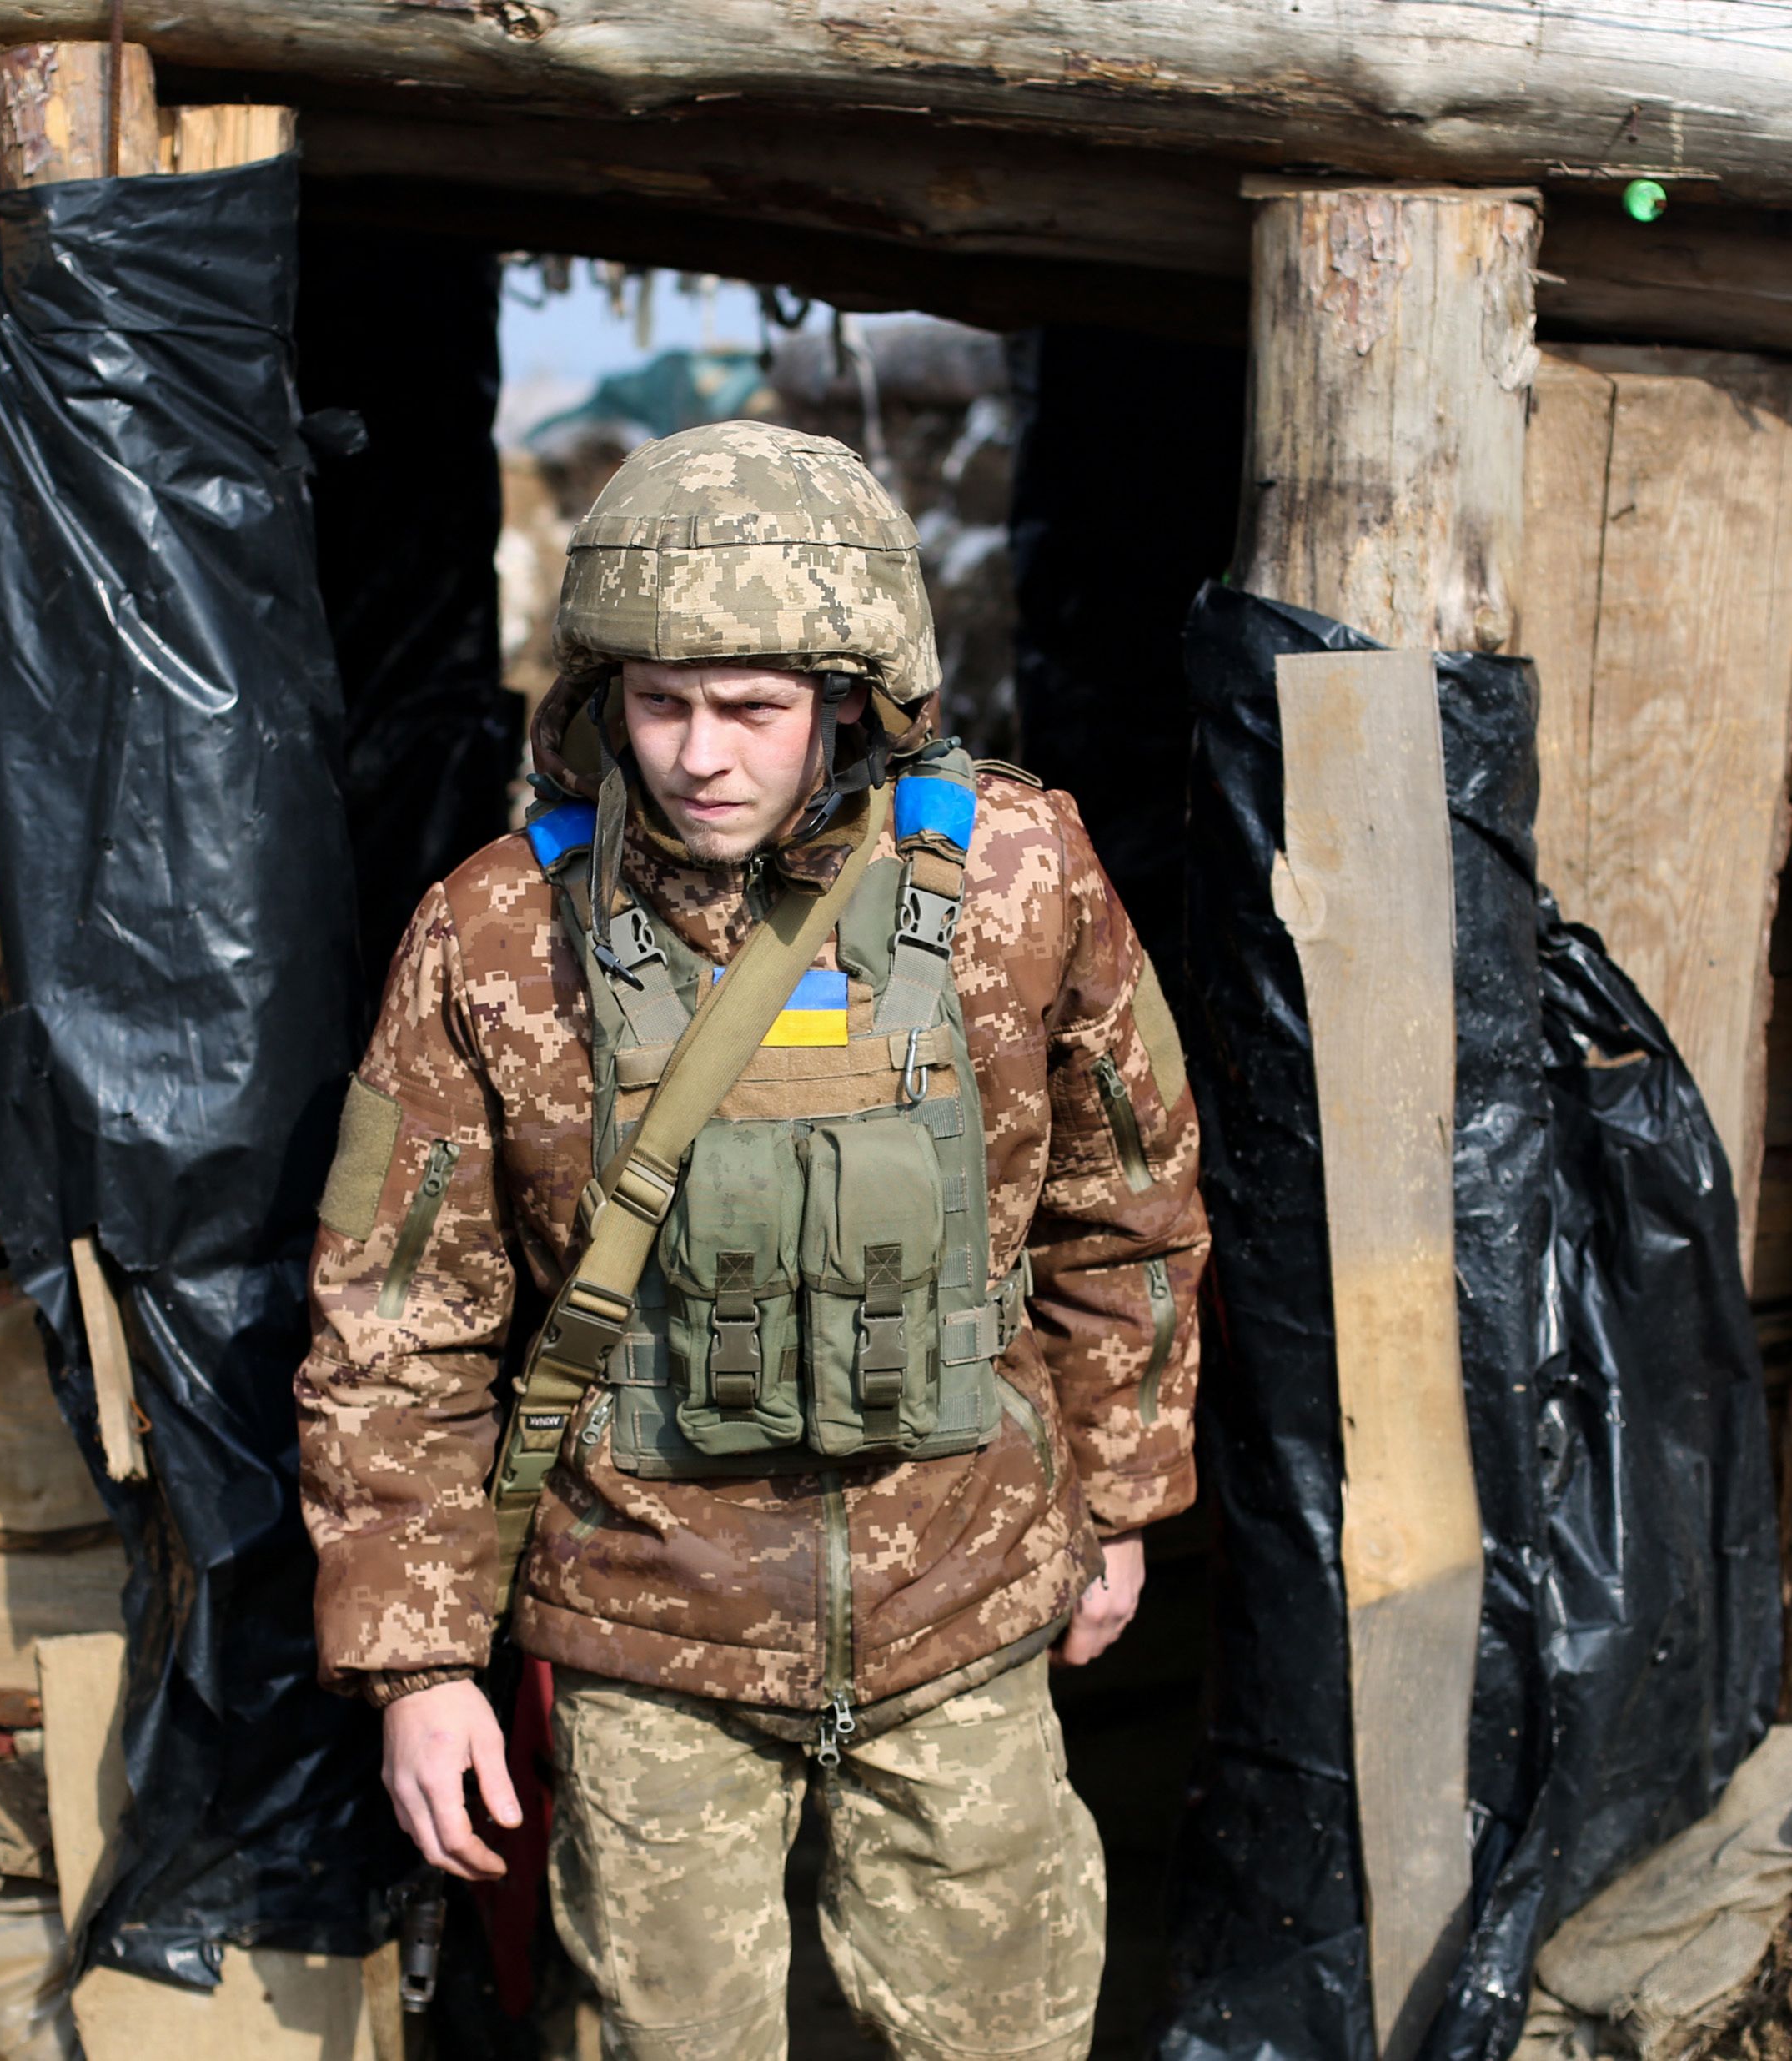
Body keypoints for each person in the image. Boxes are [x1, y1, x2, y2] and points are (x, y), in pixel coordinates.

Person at [296, 420, 1207, 2061]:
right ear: (597, 705)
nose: (702, 755)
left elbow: (1126, 1204)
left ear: (850, 703)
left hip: (965, 1596)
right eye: (659, 706)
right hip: (646, 1627)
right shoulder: (496, 936)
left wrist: (1125, 1497)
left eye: (753, 710)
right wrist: (420, 1664)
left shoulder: (1018, 879)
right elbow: (395, 1319)